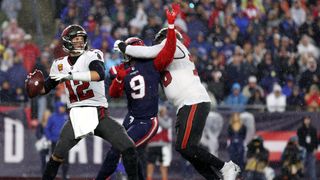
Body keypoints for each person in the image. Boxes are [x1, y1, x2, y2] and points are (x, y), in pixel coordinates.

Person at [113, 4, 240, 179]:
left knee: (186, 147)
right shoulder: (165, 59)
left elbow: (150, 51)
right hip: (185, 104)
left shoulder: (174, 45)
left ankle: (226, 166)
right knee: (185, 149)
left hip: (192, 100)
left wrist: (123, 47)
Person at [25, 24, 139, 180]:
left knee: (128, 147)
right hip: (76, 118)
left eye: (81, 39)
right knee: (57, 155)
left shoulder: (92, 55)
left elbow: (98, 74)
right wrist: (34, 87)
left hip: (98, 115)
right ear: (67, 42)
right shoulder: (59, 64)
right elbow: (46, 87)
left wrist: (70, 76)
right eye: (75, 39)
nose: (79, 42)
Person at [96, 5, 179, 180]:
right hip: (132, 117)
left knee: (123, 150)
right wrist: (118, 79)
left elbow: (170, 50)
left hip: (147, 120)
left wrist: (171, 26)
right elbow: (115, 94)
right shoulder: (121, 68)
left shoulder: (152, 64)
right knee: (125, 152)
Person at [146, 105, 173, 180]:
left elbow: (166, 125)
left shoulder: (167, 119)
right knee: (150, 164)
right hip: (152, 145)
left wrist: (157, 118)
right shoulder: (151, 120)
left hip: (163, 145)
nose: (164, 111)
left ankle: (164, 178)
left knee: (164, 165)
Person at [44, 102, 69, 180]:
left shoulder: (67, 117)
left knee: (65, 162)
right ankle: (51, 177)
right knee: (54, 161)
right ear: (57, 107)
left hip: (65, 143)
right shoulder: (52, 117)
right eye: (61, 107)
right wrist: (50, 138)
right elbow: (47, 128)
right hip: (55, 143)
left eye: (63, 107)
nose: (62, 108)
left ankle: (64, 176)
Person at [297, 116, 318, 180]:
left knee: (312, 166)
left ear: (310, 120)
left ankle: (313, 178)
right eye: (306, 119)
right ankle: (300, 178)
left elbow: (316, 140)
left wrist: (315, 148)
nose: (307, 121)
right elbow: (299, 140)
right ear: (303, 120)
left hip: (311, 150)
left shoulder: (313, 129)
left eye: (308, 119)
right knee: (301, 166)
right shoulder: (300, 129)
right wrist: (301, 148)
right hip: (303, 150)